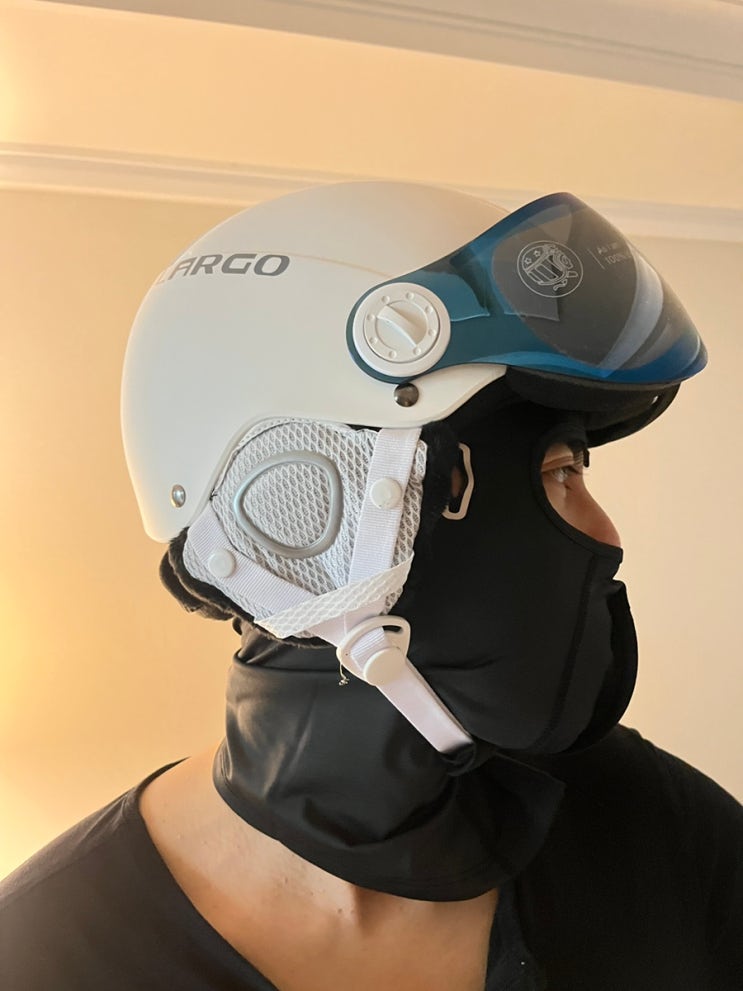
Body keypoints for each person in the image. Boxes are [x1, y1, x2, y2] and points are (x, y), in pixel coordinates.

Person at [1, 181, 740, 990]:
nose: (605, 532)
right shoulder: (41, 957)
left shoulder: (654, 829)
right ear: (308, 508)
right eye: (557, 471)